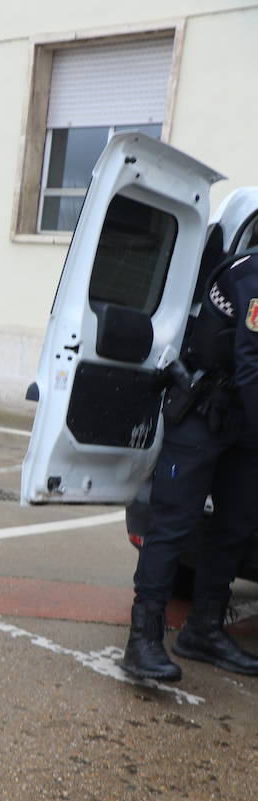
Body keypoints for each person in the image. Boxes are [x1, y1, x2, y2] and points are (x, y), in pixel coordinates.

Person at [121, 252, 258, 682]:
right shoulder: (254, 274)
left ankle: (203, 631)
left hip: (243, 420)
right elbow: (252, 362)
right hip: (204, 409)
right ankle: (142, 641)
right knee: (173, 523)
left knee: (235, 525)